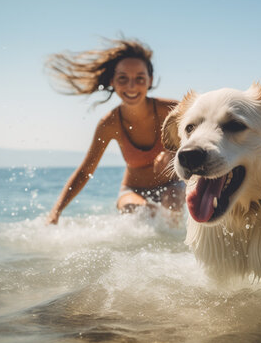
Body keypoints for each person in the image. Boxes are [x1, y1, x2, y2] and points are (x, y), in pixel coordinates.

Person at [46, 38, 183, 224]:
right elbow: (86, 170)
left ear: (149, 80)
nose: (131, 86)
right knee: (139, 211)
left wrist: (172, 152)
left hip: (173, 186)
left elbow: (203, 134)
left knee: (173, 205)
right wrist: (56, 211)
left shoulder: (172, 110)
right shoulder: (109, 124)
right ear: (113, 81)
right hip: (133, 191)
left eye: (139, 78)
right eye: (123, 78)